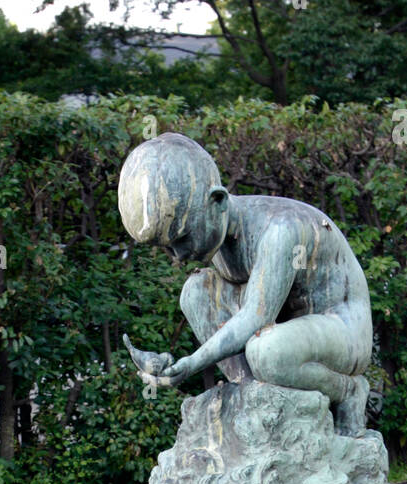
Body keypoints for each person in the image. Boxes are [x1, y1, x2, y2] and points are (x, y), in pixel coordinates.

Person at [119, 133, 372, 436]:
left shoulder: (280, 230)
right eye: (169, 247)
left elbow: (257, 316)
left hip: (341, 327)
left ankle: (348, 391)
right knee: (195, 293)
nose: (179, 256)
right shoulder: (217, 238)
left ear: (218, 201)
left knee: (268, 352)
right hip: (288, 328)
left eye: (183, 239)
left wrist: (190, 363)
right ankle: (249, 393)